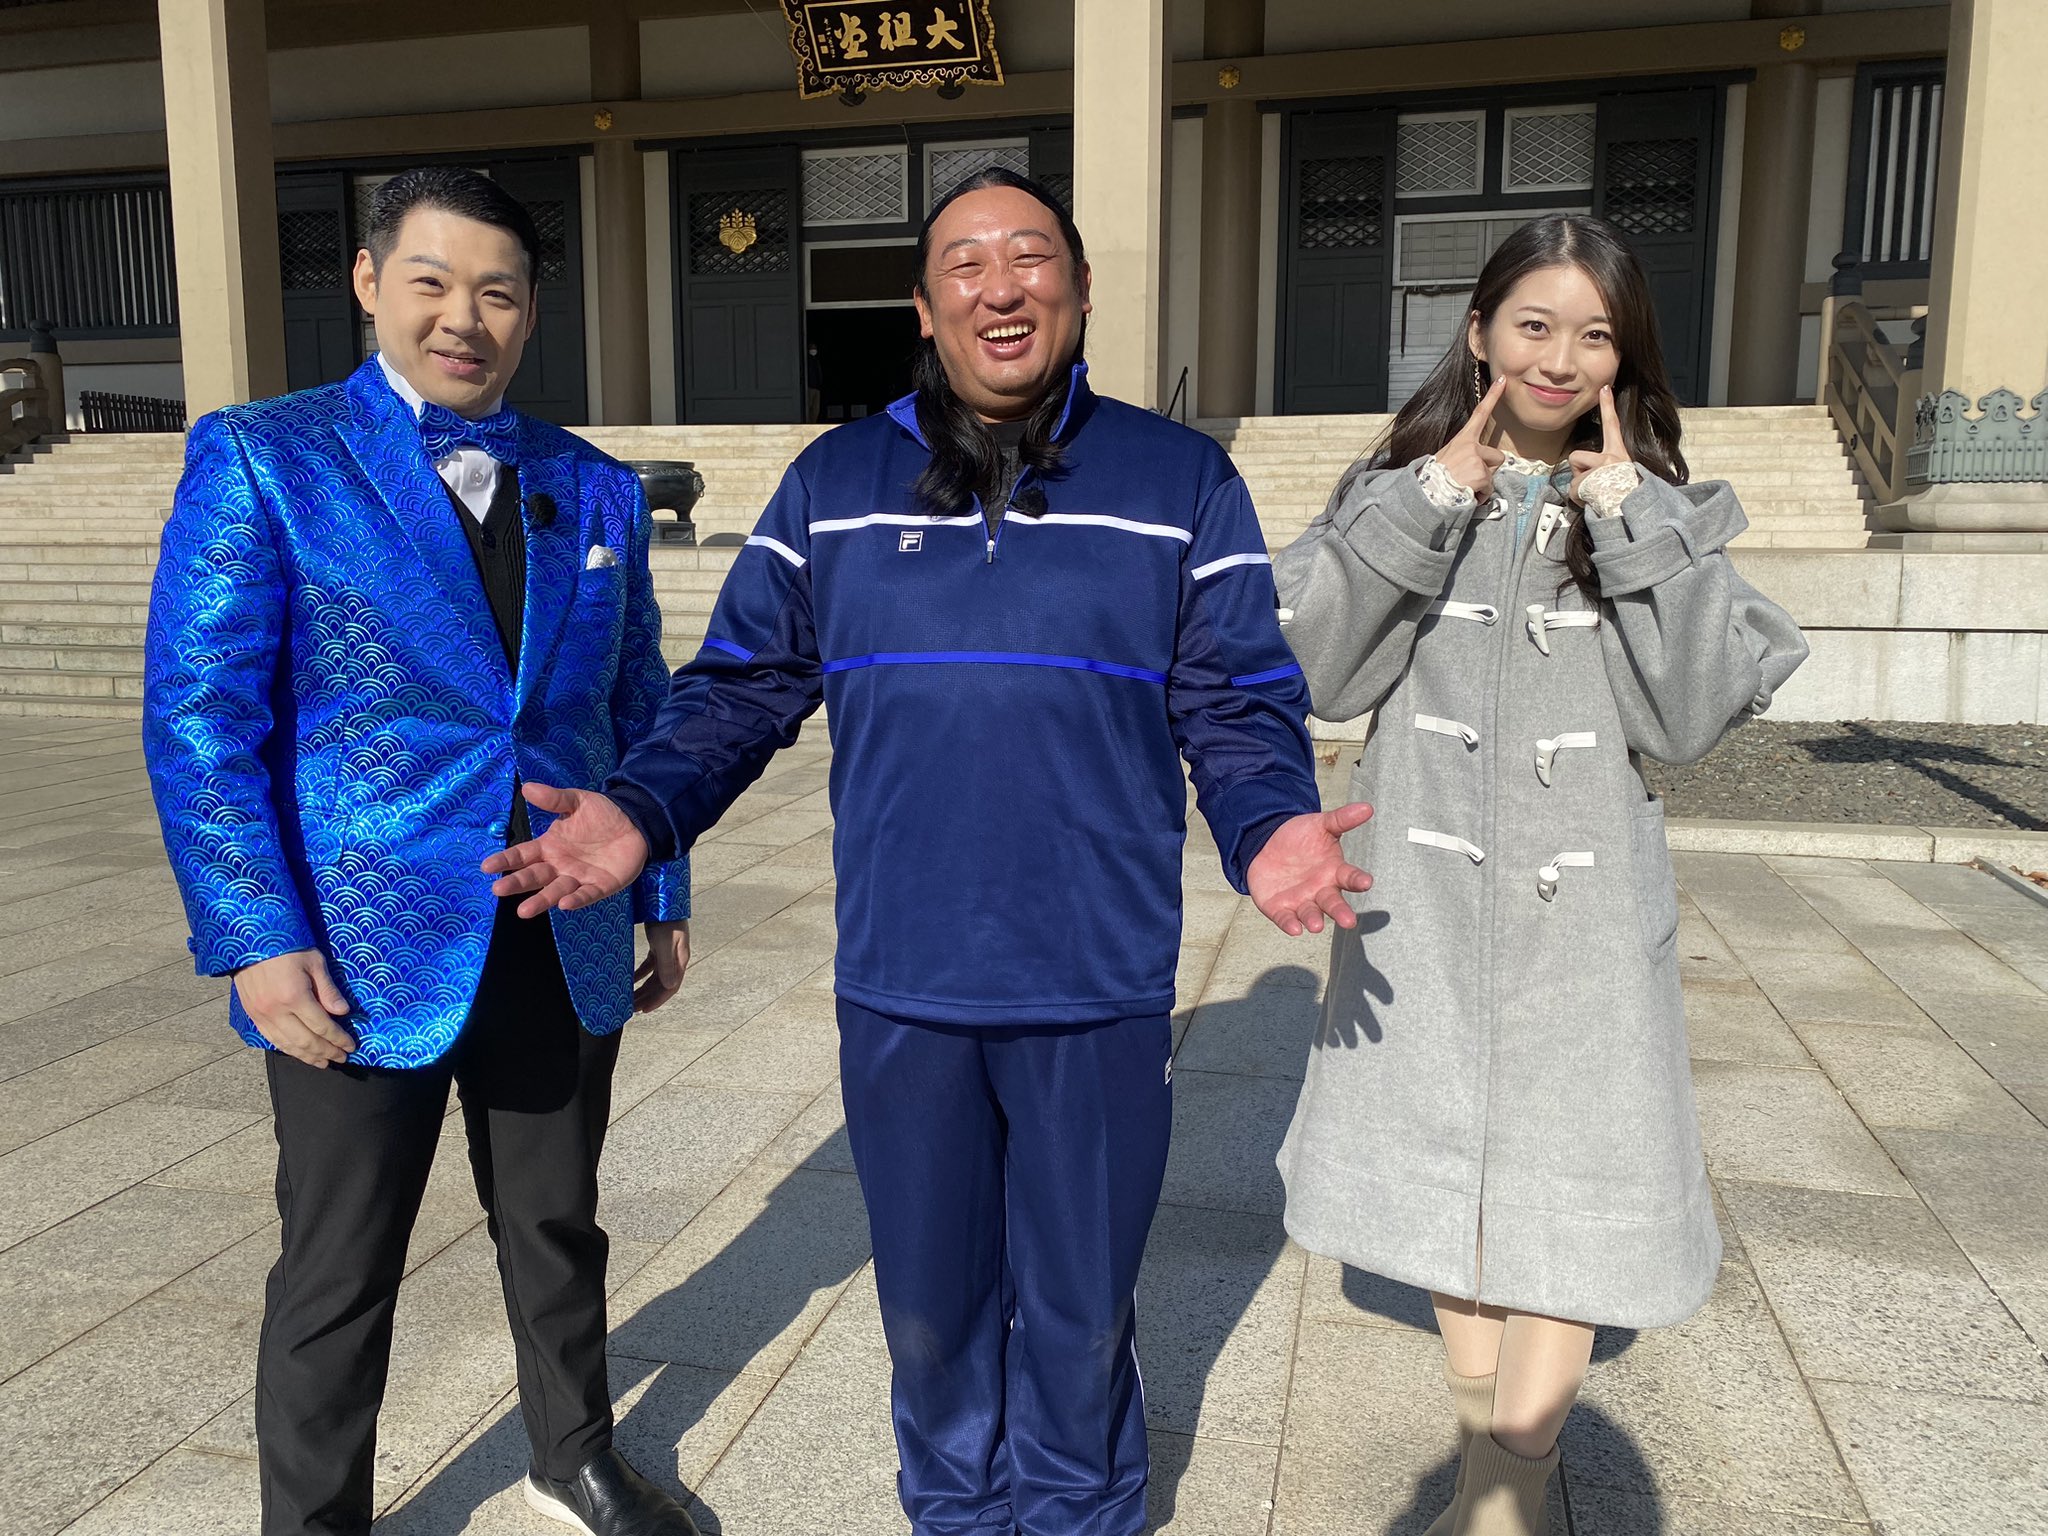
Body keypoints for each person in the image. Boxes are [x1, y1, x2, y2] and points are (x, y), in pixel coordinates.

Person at [480, 166, 1372, 1536]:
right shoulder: (834, 484)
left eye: (1031, 258)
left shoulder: (1181, 478)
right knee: (931, 1307)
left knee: (1080, 1306)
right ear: (923, 305)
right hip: (907, 977)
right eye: (966, 263)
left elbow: (1236, 694)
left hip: (1096, 978)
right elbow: (739, 688)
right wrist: (642, 808)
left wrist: (1267, 823)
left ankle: (1078, 1511)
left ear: (1080, 290)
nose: (1000, 288)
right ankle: (953, 1511)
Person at [142, 167, 699, 1536]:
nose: (465, 318)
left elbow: (637, 699)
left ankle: (572, 1455)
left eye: (497, 292)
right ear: (370, 283)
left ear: (530, 311)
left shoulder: (591, 485)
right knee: (339, 1263)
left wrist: (659, 881)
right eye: (433, 283)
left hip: (557, 920)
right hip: (354, 943)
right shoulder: (268, 457)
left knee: (557, 1224)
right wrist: (256, 935)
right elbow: (200, 717)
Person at [1271, 214, 1808, 1534]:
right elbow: (1320, 673)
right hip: (1420, 902)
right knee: (1438, 1166)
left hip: (1588, 918)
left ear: (1626, 357)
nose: (1561, 358)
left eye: (1595, 334)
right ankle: (1485, 1449)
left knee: (1577, 1183)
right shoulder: (1397, 487)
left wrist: (1629, 526)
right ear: (1479, 333)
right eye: (1535, 325)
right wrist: (1429, 504)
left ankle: (1506, 1490)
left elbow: (1686, 720)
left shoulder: (1654, 507)